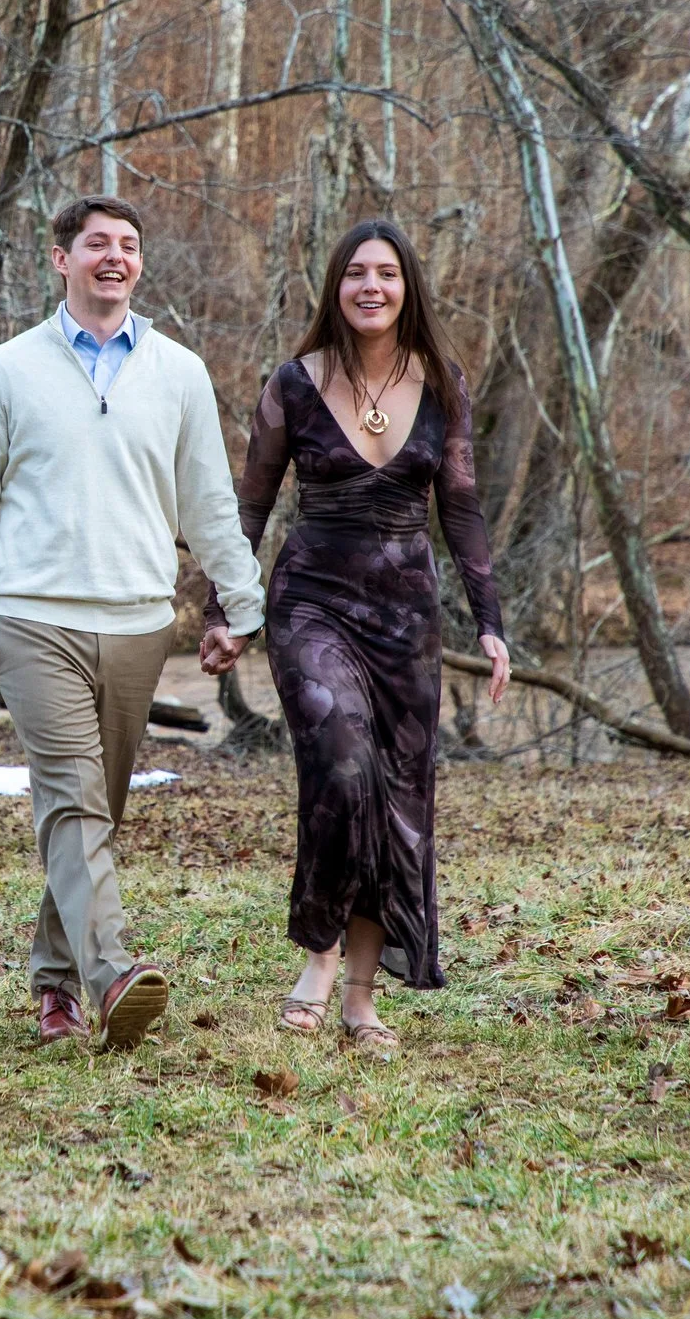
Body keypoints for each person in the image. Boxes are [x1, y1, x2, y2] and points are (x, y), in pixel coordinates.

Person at [0, 194, 265, 1051]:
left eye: (127, 245)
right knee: (76, 800)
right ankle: (113, 973)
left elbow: (208, 501)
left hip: (139, 622)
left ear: (140, 265)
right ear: (61, 259)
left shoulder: (178, 372)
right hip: (31, 617)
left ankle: (54, 987)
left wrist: (241, 601)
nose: (113, 256)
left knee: (89, 810)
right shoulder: (8, 370)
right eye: (95, 244)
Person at [206, 218, 511, 1050]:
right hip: (311, 602)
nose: (370, 286)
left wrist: (490, 623)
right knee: (341, 766)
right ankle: (318, 959)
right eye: (355, 273)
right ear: (334, 286)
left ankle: (362, 998)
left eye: (386, 273)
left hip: (406, 618)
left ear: (407, 288)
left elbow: (462, 508)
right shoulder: (294, 384)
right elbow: (250, 505)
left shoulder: (442, 384)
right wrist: (222, 611)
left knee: (397, 796)